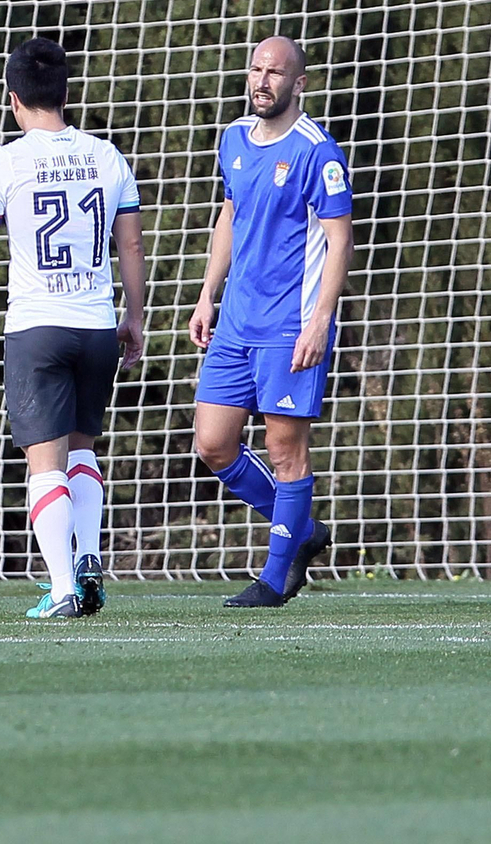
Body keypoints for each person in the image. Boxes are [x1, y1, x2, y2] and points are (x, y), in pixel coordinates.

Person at [0, 38, 147, 619]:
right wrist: (135, 316)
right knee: (82, 454)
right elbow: (130, 243)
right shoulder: (107, 155)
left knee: (43, 463)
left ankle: (62, 587)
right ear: (67, 94)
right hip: (97, 327)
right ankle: (90, 557)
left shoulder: (6, 160)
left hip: (38, 328)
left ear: (14, 99)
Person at [189, 36, 350, 608]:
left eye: (275, 72)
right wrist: (207, 294)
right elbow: (229, 213)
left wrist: (319, 323)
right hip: (234, 323)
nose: (262, 80)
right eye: (256, 69)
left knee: (286, 453)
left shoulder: (317, 151)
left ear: (298, 83)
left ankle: (278, 577)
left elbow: (338, 240)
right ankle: (303, 529)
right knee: (212, 445)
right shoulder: (232, 138)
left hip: (290, 326)